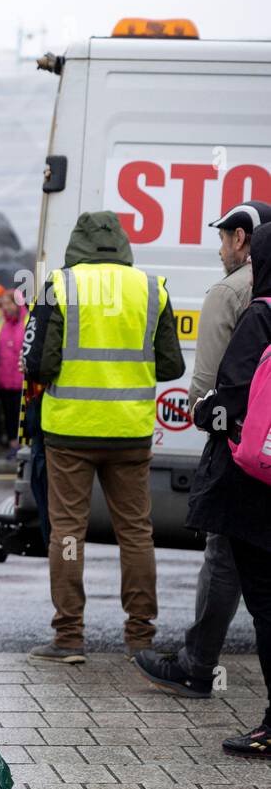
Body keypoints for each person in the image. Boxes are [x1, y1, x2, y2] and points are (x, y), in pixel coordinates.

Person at [24, 211, 184, 664]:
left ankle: (69, 638)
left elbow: (36, 364)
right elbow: (171, 366)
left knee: (69, 532)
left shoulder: (60, 285)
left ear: (78, 243)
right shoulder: (152, 288)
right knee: (136, 533)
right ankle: (141, 637)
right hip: (130, 431)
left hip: (70, 429)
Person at [135, 200, 271, 697]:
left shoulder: (231, 294)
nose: (218, 250)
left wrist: (204, 415)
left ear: (242, 240)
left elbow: (209, 388)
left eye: (223, 239)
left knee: (224, 554)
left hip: (240, 450)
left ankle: (197, 663)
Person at [183, 222, 271, 756]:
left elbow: (227, 406)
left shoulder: (261, 314)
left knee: (265, 603)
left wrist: (200, 409)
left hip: (255, 485)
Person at [0, 286, 27, 457]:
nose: (5, 307)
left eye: (9, 303)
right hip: (3, 378)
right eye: (4, 304)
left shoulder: (27, 321)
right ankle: (13, 445)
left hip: (22, 378)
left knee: (22, 415)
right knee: (8, 414)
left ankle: (22, 446)